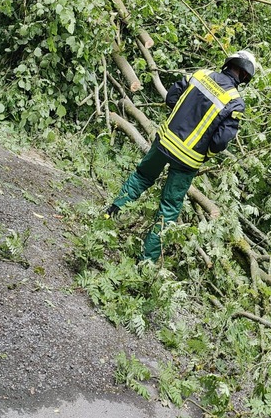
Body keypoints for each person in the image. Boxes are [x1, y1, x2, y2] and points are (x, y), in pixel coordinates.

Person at [106, 50, 257, 262]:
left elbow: (171, 96)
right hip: (189, 159)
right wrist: (207, 153)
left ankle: (109, 215)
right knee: (168, 208)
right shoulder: (235, 101)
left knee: (141, 177)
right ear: (244, 75)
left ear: (229, 63)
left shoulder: (201, 75)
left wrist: (181, 116)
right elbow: (221, 141)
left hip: (165, 142)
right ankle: (146, 261)